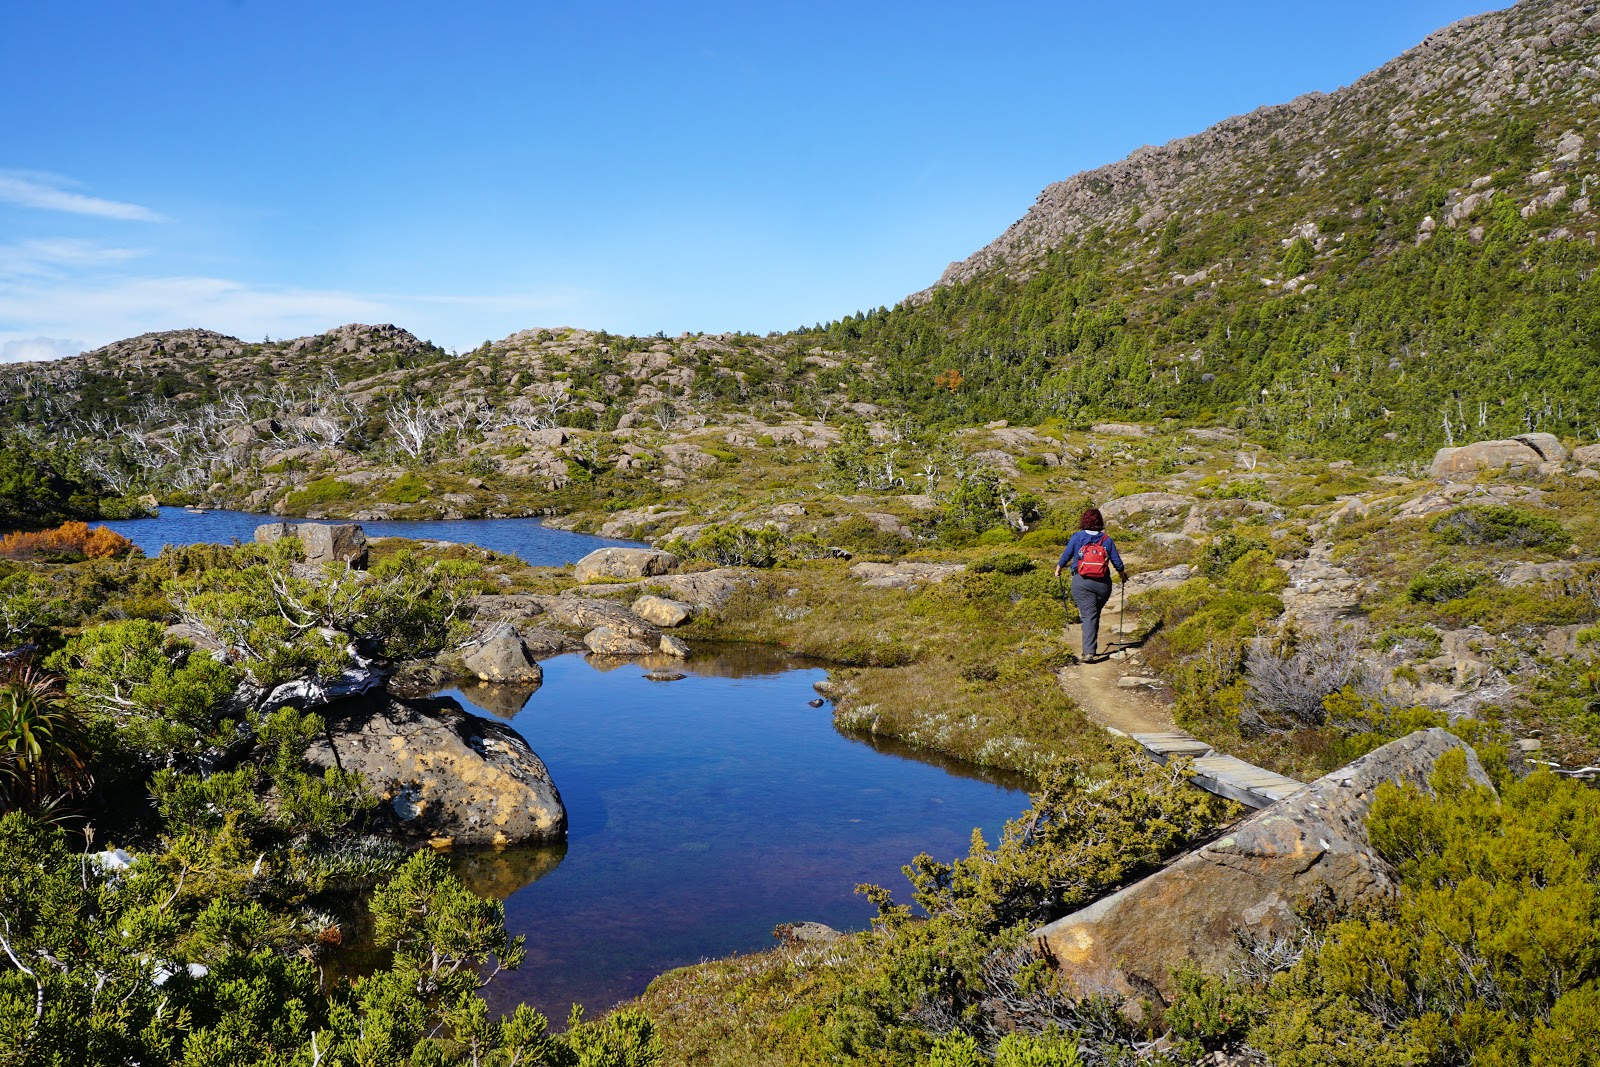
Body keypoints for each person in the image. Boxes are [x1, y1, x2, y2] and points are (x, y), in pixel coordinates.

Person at [1053, 508, 1128, 663]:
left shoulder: (1077, 537)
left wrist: (1058, 569)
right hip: (1103, 584)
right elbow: (1117, 562)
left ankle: (1089, 652)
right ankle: (1090, 647)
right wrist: (1122, 576)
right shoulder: (1106, 540)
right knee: (1093, 614)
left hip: (1081, 582)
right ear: (1100, 522)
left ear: (1084, 521)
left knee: (1088, 615)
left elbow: (1066, 556)